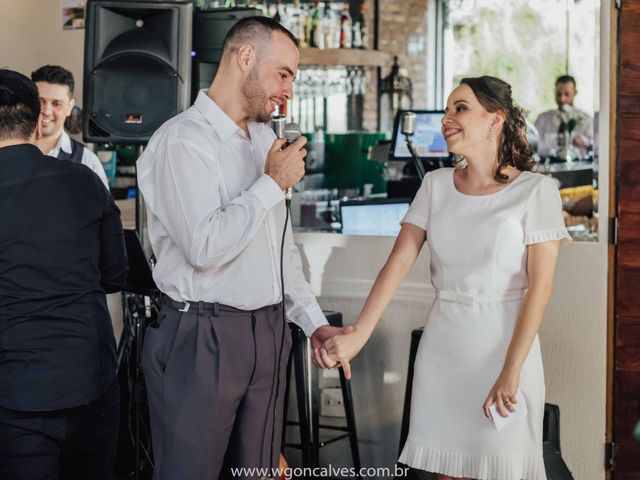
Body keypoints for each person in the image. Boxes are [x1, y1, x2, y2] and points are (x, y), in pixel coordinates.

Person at [324, 76, 571, 480]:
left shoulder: (536, 191)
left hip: (505, 352)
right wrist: (358, 335)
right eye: (446, 109)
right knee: (446, 472)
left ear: (495, 119)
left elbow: (539, 289)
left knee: (501, 469)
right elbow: (397, 265)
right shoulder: (435, 185)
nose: (445, 118)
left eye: (460, 108)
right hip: (443, 352)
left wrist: (511, 370)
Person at [136, 16, 349, 480]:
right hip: (200, 336)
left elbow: (280, 252)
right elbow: (204, 247)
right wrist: (272, 184)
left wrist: (313, 324)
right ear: (245, 57)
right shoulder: (181, 141)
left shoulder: (266, 142)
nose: (288, 91)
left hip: (269, 332)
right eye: (284, 74)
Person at [0, 69, 128, 480]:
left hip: (18, 396)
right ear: (38, 117)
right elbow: (116, 275)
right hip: (93, 382)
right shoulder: (86, 180)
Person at [31, 65, 110, 187]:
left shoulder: (87, 161)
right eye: (40, 101)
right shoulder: (8, 151)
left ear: (69, 107)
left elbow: (103, 206)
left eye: (56, 103)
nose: (46, 111)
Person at [534, 75, 593, 159]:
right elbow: (534, 145)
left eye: (567, 94)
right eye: (559, 94)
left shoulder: (586, 120)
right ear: (554, 92)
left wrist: (585, 143)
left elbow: (593, 148)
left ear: (575, 93)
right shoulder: (542, 119)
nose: (562, 99)